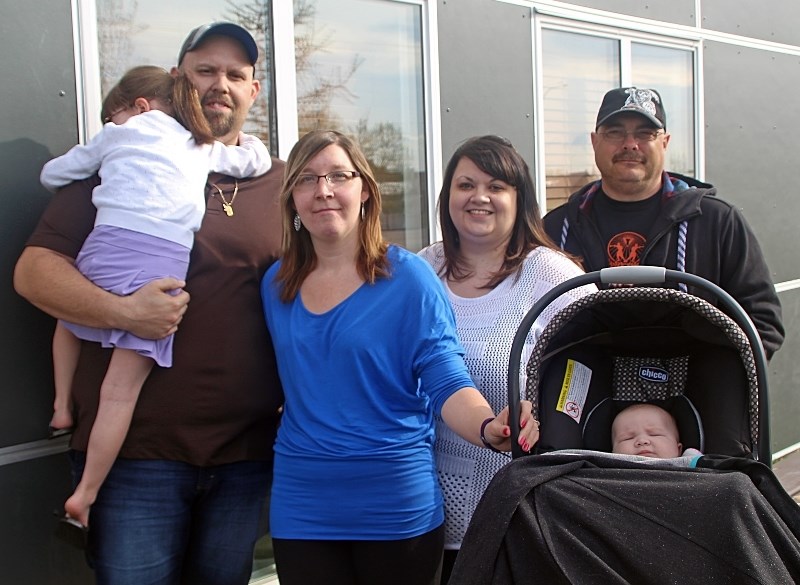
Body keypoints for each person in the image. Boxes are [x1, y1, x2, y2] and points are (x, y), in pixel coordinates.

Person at [14, 22, 284, 585]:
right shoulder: (125, 159)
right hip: (136, 459)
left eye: (236, 75)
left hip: (244, 457)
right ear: (178, 77)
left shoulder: (280, 185)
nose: (220, 85)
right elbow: (34, 273)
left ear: (253, 91)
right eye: (205, 70)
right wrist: (125, 314)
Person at [259, 129, 540, 585]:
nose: (323, 190)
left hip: (394, 506)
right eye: (307, 179)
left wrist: (490, 428)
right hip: (302, 503)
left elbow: (448, 381)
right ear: (292, 197)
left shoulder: (409, 279)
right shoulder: (276, 285)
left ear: (365, 191)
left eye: (338, 176)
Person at [418, 135, 596, 583]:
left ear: (520, 199)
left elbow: (592, 365)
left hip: (514, 515)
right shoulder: (420, 270)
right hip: (417, 512)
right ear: (448, 197)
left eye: (496, 186)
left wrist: (553, 417)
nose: (479, 197)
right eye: (465, 184)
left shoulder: (551, 276)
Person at [543, 87, 784, 359]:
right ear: (595, 141)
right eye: (615, 132)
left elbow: (763, 327)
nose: (630, 144)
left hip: (693, 389)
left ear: (665, 142)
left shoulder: (717, 222)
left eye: (645, 133)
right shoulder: (555, 229)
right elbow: (530, 323)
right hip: (585, 391)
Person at [611, 403, 701, 459]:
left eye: (655, 434)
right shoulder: (606, 473)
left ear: (678, 449)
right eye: (627, 438)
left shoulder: (687, 463)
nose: (642, 441)